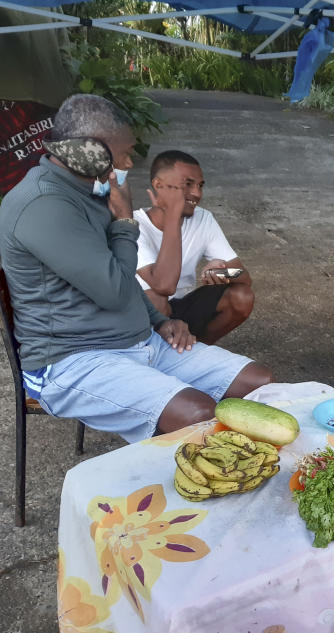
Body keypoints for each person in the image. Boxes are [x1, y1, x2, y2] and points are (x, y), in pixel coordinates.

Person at [0, 94, 273, 442]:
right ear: (93, 151)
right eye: (125, 152)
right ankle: (181, 489)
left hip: (140, 341)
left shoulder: (90, 194)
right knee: (197, 414)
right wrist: (126, 223)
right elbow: (115, 290)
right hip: (71, 361)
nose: (130, 161)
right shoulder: (43, 205)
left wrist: (162, 322)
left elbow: (126, 284)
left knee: (259, 386)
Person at [135, 150, 254, 344]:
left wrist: (221, 272)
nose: (197, 194)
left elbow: (244, 277)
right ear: (158, 185)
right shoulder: (134, 226)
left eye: (200, 185)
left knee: (241, 296)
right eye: (187, 184)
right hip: (142, 315)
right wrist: (173, 215)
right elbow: (163, 286)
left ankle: (197, 351)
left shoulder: (203, 219)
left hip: (180, 306)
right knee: (157, 299)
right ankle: (154, 357)